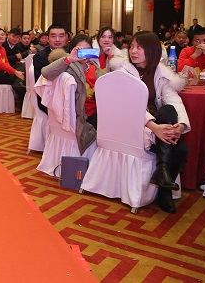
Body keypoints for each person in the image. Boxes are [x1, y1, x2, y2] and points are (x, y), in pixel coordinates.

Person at [110, 32, 190, 213]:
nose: (133, 51)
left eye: (139, 47)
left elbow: (174, 100)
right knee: (181, 149)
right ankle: (164, 188)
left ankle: (163, 178)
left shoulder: (161, 73)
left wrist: (181, 126)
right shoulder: (123, 72)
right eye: (132, 46)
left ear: (152, 50)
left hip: (157, 122)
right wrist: (154, 127)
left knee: (169, 110)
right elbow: (128, 105)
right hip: (132, 123)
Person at [41, 35, 102, 154]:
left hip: (97, 109)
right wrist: (70, 58)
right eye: (80, 50)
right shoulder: (69, 66)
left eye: (87, 50)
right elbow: (46, 72)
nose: (84, 54)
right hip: (81, 113)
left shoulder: (94, 66)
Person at [33, 23, 68, 114]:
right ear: (48, 39)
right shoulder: (40, 57)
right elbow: (41, 83)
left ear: (66, 38)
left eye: (61, 36)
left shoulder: (71, 54)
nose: (57, 39)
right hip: (49, 98)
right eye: (53, 36)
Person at [0, 28, 26, 101]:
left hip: (2, 72)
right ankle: (21, 102)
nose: (1, 36)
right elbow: (0, 64)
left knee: (21, 68)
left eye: (2, 35)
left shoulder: (2, 48)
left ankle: (18, 88)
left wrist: (10, 71)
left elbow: (6, 62)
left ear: (5, 36)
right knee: (20, 80)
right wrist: (15, 72)